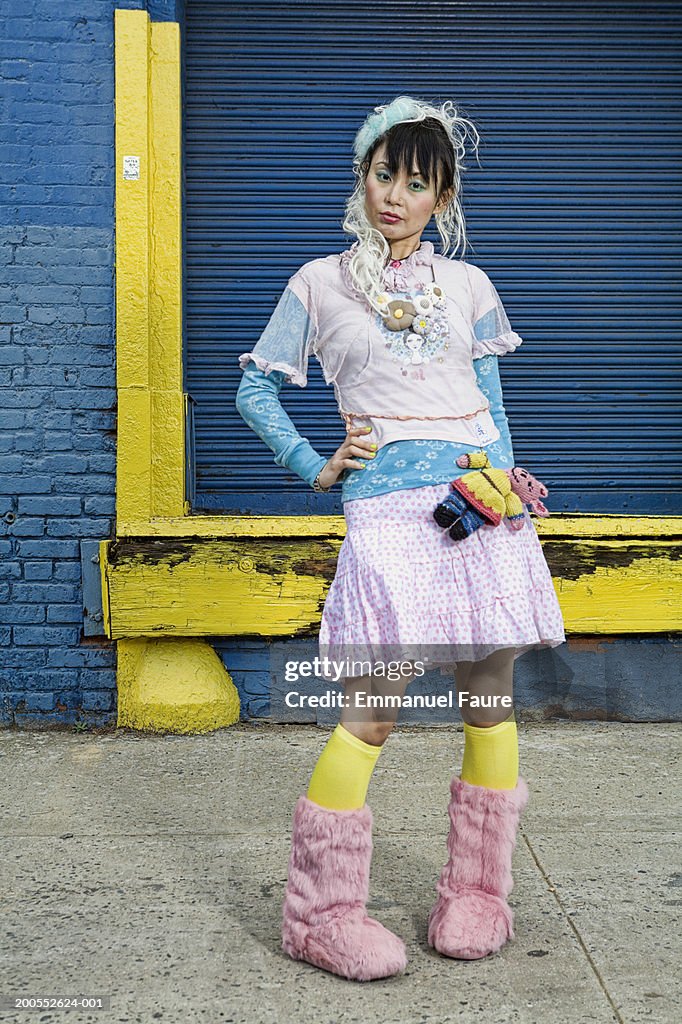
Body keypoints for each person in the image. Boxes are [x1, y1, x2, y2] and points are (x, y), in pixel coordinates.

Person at [235, 95, 565, 982]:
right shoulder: (317, 283)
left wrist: (507, 485)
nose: (396, 195)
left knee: (489, 695)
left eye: (418, 183)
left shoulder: (469, 286)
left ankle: (479, 892)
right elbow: (254, 392)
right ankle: (320, 914)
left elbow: (492, 410)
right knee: (372, 709)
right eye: (385, 174)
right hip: (386, 513)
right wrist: (318, 462)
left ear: (441, 197)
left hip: (476, 503)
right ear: (362, 175)